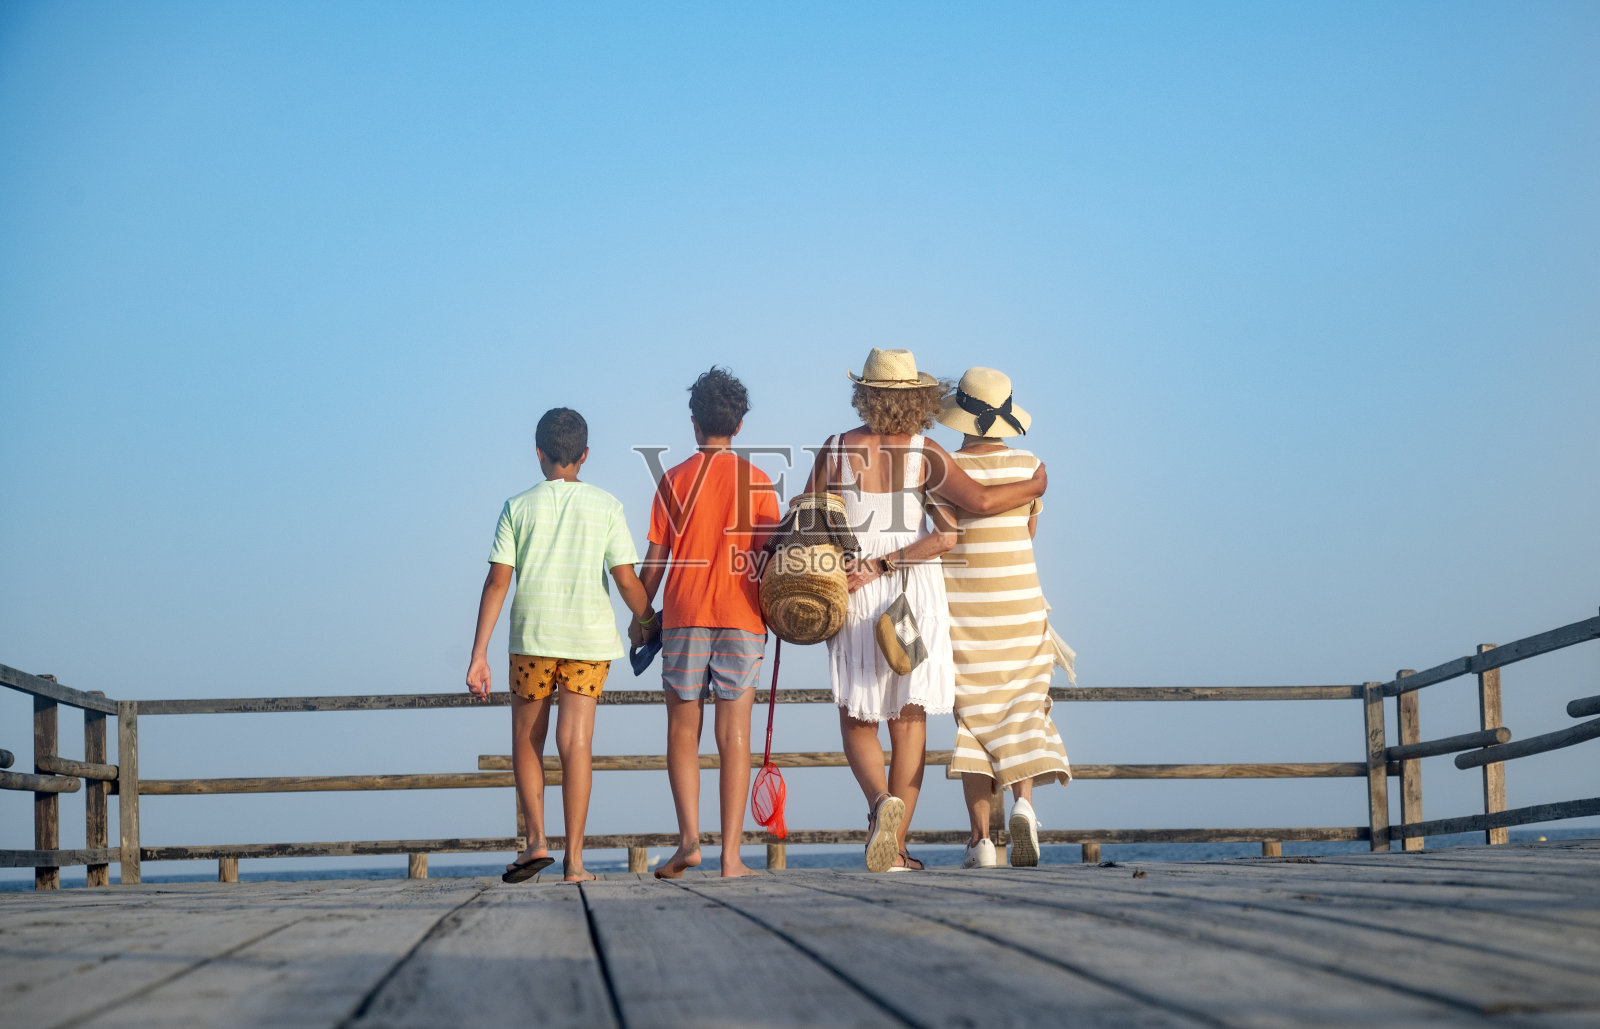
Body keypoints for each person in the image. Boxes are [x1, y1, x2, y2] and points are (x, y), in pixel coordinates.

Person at [806, 348, 1048, 872]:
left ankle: (878, 805)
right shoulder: (926, 452)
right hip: (911, 591)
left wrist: (852, 564)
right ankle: (897, 849)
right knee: (909, 719)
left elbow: (808, 520)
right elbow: (970, 513)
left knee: (857, 717)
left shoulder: (836, 448)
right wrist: (1033, 485)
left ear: (864, 395)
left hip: (853, 589)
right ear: (920, 398)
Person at [465, 407, 655, 884]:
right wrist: (647, 618)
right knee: (577, 744)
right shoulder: (607, 506)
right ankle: (575, 863)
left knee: (528, 742)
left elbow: (496, 582)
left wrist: (478, 654)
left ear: (539, 454)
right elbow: (627, 580)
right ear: (585, 455)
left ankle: (536, 842)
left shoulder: (517, 506)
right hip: (589, 642)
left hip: (531, 638)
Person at [637, 368, 780, 879]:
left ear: (694, 423)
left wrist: (641, 617)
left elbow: (653, 565)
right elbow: (768, 564)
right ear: (738, 426)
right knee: (733, 732)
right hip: (743, 618)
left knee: (682, 730)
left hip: (683, 616)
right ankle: (732, 857)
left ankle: (689, 841)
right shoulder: (760, 484)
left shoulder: (673, 481)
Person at [930, 367, 1071, 869]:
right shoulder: (1030, 465)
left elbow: (946, 538)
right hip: (1020, 604)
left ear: (961, 417)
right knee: (1022, 707)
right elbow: (1027, 533)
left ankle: (980, 842)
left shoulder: (943, 471)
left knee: (975, 719)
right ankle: (1025, 807)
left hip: (965, 608)